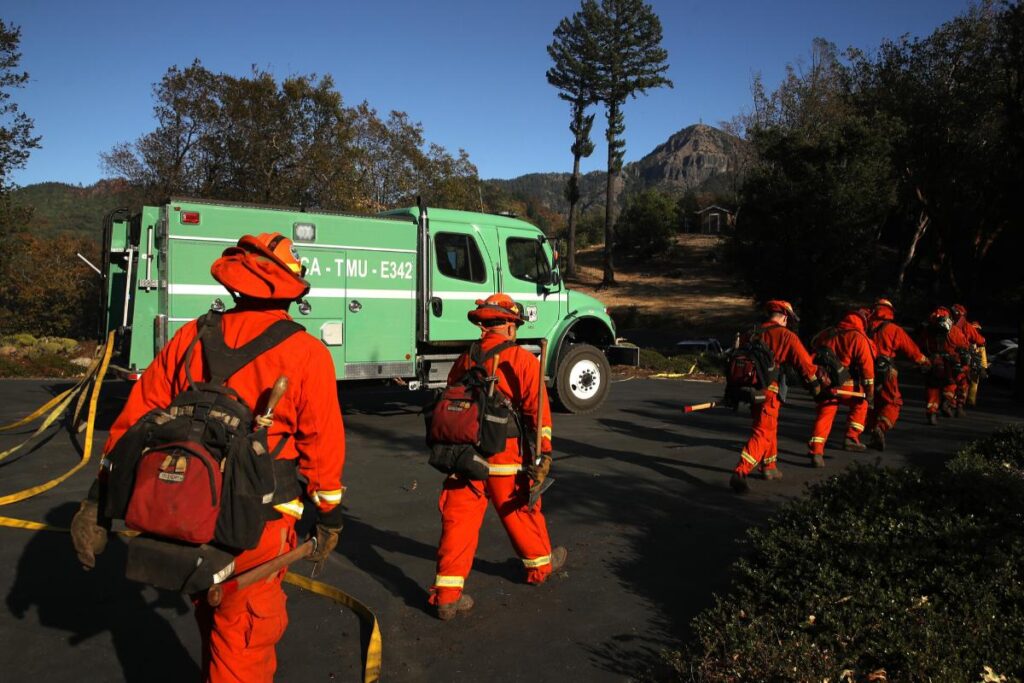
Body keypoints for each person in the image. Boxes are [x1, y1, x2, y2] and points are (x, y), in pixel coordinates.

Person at [70, 233, 346, 683]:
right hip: (255, 524)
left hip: (185, 509)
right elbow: (323, 447)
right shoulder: (305, 353)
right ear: (291, 290)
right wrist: (330, 516)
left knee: (210, 616)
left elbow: (135, 423)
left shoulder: (191, 336)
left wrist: (97, 500)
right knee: (242, 642)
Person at [428, 293, 565, 620]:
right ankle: (540, 567)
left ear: (484, 324)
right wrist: (544, 454)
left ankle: (446, 597)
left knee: (458, 523)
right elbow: (538, 414)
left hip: (464, 457)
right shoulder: (522, 361)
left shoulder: (465, 359)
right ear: (508, 324)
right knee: (520, 514)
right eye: (514, 324)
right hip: (504, 460)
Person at [730, 300, 819, 493]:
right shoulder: (787, 336)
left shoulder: (751, 334)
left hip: (751, 390)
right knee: (762, 432)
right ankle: (740, 471)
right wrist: (816, 384)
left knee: (768, 426)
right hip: (769, 392)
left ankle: (769, 467)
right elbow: (805, 364)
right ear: (785, 317)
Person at [806, 311, 875, 467]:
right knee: (861, 402)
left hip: (826, 383)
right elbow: (867, 369)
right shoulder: (858, 337)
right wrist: (870, 392)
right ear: (862, 323)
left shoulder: (827, 333)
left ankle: (816, 451)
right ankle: (851, 437)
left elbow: (813, 351)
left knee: (825, 414)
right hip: (847, 385)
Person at [864, 298, 930, 450]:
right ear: (890, 311)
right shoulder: (894, 329)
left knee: (872, 402)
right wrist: (924, 361)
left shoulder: (864, 326)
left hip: (866, 370)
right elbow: (911, 350)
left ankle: (871, 432)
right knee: (893, 402)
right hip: (887, 371)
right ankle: (880, 428)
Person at [919, 306, 969, 425]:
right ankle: (947, 402)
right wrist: (964, 361)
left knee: (932, 388)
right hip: (950, 363)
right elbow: (964, 346)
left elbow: (920, 346)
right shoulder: (955, 330)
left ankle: (932, 411)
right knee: (951, 383)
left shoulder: (928, 330)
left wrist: (921, 360)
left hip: (933, 362)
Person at [951, 304, 987, 411]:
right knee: (962, 381)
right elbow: (981, 340)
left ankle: (955, 402)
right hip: (961, 359)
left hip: (952, 357)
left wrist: (983, 367)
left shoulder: (949, 324)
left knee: (953, 380)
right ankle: (959, 404)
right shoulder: (966, 327)